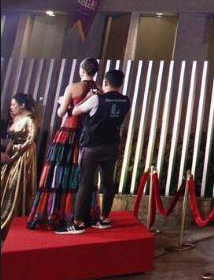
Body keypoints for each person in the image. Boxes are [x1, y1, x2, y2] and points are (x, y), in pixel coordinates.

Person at [27, 58, 101, 230]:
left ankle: (55, 212)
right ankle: (80, 215)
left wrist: (62, 103)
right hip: (85, 137)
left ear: (82, 69)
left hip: (67, 134)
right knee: (81, 174)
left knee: (58, 173)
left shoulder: (73, 87)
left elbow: (61, 113)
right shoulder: (99, 90)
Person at [57, 69, 132, 234]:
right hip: (112, 146)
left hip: (92, 146)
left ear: (105, 82)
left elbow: (76, 111)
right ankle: (104, 219)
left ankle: (78, 223)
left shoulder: (97, 99)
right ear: (120, 84)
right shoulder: (126, 101)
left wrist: (84, 98)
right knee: (108, 182)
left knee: (85, 183)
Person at [0, 93, 40, 240]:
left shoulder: (30, 120)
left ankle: (15, 220)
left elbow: (30, 141)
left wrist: (14, 156)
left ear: (22, 106)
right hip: (11, 156)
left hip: (22, 157)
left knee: (16, 186)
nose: (11, 107)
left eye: (14, 104)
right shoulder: (17, 119)